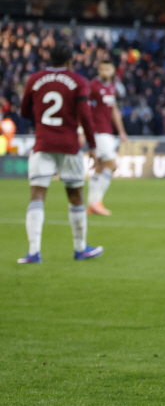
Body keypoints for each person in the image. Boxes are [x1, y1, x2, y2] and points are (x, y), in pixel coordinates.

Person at [18, 38, 103, 263]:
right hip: (69, 145)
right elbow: (86, 116)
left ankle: (33, 252)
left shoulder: (35, 79)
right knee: (75, 195)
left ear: (50, 59)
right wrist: (92, 147)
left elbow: (24, 112)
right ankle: (80, 248)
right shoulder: (77, 81)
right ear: (68, 61)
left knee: (37, 195)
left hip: (43, 144)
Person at [85, 58, 127, 216]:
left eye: (107, 69)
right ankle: (97, 201)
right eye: (102, 69)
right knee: (112, 164)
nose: (104, 72)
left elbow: (114, 111)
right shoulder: (92, 87)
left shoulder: (111, 87)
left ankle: (92, 204)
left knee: (100, 168)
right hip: (98, 132)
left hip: (108, 132)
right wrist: (83, 131)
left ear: (113, 71)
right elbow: (84, 110)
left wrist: (121, 131)